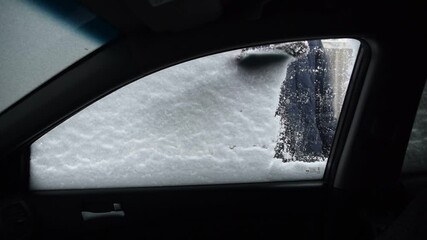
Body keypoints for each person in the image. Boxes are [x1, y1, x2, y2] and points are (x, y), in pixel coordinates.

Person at [274, 40, 336, 162]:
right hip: (265, 157)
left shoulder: (312, 40)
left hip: (309, 155)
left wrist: (332, 150)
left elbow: (324, 104)